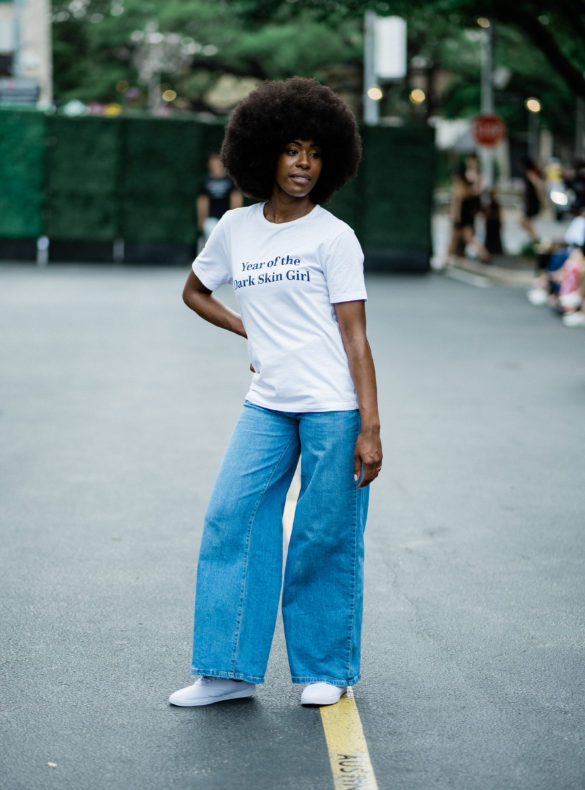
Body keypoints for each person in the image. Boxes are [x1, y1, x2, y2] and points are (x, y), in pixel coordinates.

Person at [170, 78, 382, 709]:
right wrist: (248, 329)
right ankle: (229, 669)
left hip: (332, 407)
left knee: (325, 534)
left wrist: (370, 427)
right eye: (292, 150)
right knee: (231, 517)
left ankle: (326, 669)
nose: (303, 164)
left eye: (315, 153)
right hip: (267, 402)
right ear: (264, 153)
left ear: (330, 162)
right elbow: (195, 292)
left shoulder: (333, 237)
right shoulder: (235, 228)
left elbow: (357, 338)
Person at [196, 152, 242, 252]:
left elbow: (236, 199)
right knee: (212, 236)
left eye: (217, 161)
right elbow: (203, 201)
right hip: (211, 218)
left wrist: (234, 218)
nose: (215, 163)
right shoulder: (206, 180)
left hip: (226, 217)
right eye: (212, 161)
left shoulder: (229, 180)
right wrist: (201, 219)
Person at [520, 156, 545, 242]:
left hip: (533, 201)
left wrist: (540, 199)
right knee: (525, 221)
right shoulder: (530, 173)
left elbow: (539, 185)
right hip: (530, 200)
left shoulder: (530, 173)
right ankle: (534, 238)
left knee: (524, 220)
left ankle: (536, 238)